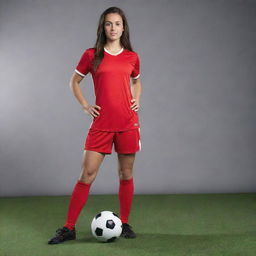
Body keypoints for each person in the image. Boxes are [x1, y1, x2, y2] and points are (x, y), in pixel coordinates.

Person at [48, 6, 142, 244]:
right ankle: (69, 228)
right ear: (103, 27)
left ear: (123, 28)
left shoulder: (132, 56)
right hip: (101, 124)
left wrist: (136, 98)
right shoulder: (91, 55)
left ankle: (125, 222)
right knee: (86, 175)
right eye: (109, 24)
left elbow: (137, 81)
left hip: (128, 124)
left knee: (126, 173)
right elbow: (74, 81)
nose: (113, 28)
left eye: (117, 24)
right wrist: (85, 106)